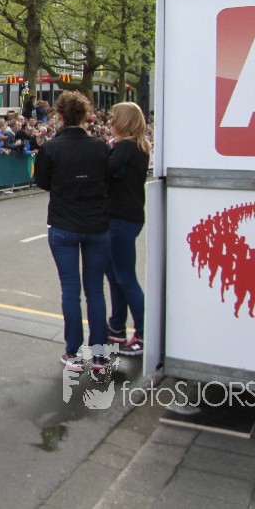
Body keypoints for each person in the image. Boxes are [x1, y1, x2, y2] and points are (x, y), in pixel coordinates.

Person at [34, 91, 110, 372]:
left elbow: (43, 181)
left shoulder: (52, 148)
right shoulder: (100, 146)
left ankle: (74, 353)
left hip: (64, 223)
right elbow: (107, 178)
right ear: (85, 115)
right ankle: (100, 355)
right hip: (95, 224)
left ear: (60, 116)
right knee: (95, 290)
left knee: (70, 289)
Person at [103, 102, 151, 358]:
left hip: (119, 217)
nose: (110, 121)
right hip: (128, 215)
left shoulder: (125, 147)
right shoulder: (138, 147)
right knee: (116, 275)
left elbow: (106, 171)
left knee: (124, 277)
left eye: (114, 117)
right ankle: (117, 327)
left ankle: (143, 334)